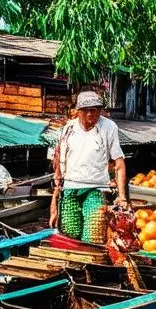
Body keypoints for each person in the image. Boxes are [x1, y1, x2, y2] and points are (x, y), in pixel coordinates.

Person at [51, 90, 128, 242]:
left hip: (96, 187)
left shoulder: (109, 127)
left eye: (96, 110)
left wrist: (122, 196)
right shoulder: (69, 128)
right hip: (70, 187)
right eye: (87, 110)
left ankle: (91, 260)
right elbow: (60, 154)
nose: (92, 114)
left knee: (93, 233)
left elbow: (119, 164)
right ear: (79, 111)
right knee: (70, 232)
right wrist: (57, 179)